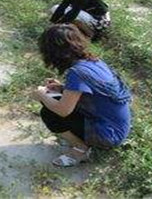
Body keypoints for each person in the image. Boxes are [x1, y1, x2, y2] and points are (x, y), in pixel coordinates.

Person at [32, 24, 132, 167]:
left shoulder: (76, 73)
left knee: (49, 112)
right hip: (118, 127)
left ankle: (81, 150)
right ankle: (82, 140)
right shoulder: (93, 61)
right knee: (54, 97)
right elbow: (93, 94)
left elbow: (63, 110)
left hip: (109, 135)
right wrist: (62, 88)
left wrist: (41, 95)